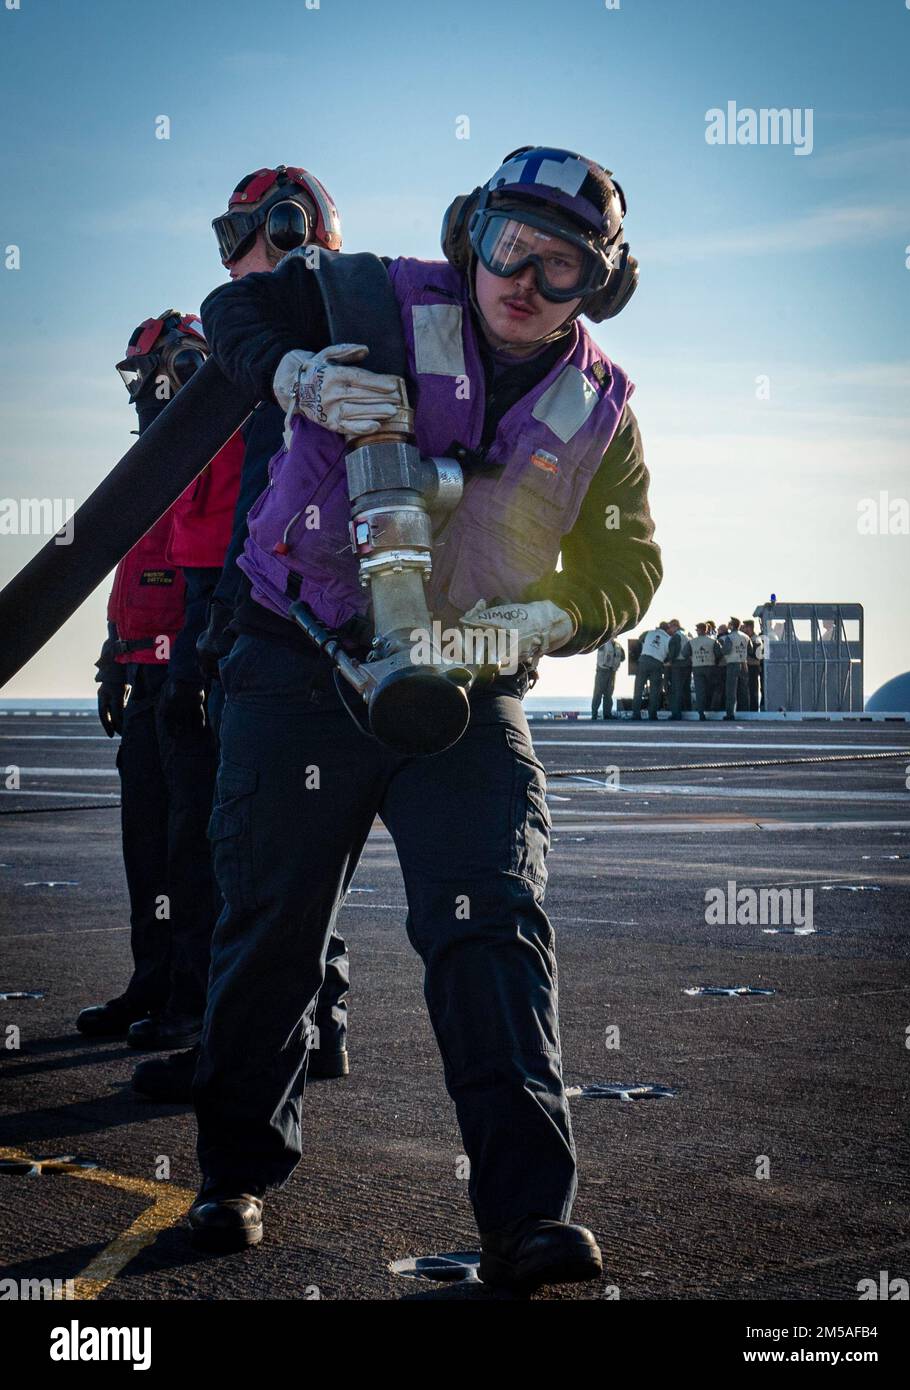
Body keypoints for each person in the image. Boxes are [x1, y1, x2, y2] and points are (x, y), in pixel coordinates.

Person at [187, 145, 661, 1290]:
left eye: (564, 270)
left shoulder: (598, 412)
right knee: (270, 927)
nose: (525, 283)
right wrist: (292, 373)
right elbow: (233, 305)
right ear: (471, 232)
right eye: (509, 249)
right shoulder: (368, 296)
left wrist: (543, 619)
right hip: (301, 662)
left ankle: (527, 1216)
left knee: (492, 928)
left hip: (465, 691)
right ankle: (233, 1172)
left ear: (599, 286)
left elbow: (628, 568)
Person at [134, 167, 352, 1103]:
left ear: (292, 226)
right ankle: (302, 1029)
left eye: (243, 230)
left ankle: (265, 1043)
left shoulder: (313, 339)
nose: (231, 255)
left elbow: (264, 508)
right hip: (274, 619)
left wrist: (218, 631)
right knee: (279, 853)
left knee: (257, 853)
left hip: (286, 630)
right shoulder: (284, 348)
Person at [79, 315, 242, 1053]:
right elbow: (134, 574)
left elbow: (207, 571)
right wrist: (115, 656)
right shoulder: (153, 462)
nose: (136, 390)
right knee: (145, 846)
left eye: (139, 373)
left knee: (189, 851)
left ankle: (192, 998)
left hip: (188, 683)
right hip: (144, 675)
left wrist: (190, 672)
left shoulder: (210, 450)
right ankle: (153, 983)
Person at [631, 622, 670, 720]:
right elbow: (669, 654)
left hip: (643, 661)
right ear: (667, 629)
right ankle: (652, 714)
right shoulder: (668, 639)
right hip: (657, 663)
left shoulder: (649, 633)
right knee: (654, 690)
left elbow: (640, 639)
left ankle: (636, 714)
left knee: (638, 689)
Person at [689, 622, 720, 719]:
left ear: (699, 630)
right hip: (710, 666)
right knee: (712, 688)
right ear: (706, 630)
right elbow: (719, 653)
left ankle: (701, 713)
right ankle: (712, 708)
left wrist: (693, 658)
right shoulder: (713, 641)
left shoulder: (692, 642)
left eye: (697, 629)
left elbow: (685, 653)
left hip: (697, 667)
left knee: (699, 691)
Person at [720, 617, 750, 720]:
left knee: (731, 691)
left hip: (733, 664)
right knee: (744, 690)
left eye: (729, 624)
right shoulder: (745, 637)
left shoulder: (730, 637)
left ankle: (730, 714)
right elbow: (750, 650)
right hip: (744, 664)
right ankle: (745, 711)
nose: (728, 625)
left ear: (732, 626)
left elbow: (726, 651)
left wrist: (721, 648)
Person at [591, 637, 624, 719]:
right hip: (602, 671)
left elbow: (623, 657)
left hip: (612, 672)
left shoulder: (618, 646)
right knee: (598, 693)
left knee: (608, 694)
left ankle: (607, 714)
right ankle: (594, 714)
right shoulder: (602, 643)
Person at [666, 618, 691, 720]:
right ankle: (688, 709)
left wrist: (670, 661)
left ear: (674, 626)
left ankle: (676, 713)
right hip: (687, 664)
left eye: (670, 627)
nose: (669, 630)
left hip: (678, 664)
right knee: (686, 689)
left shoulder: (676, 636)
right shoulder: (686, 635)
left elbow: (674, 651)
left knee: (676, 689)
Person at [741, 618, 762, 712]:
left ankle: (753, 709)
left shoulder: (756, 640)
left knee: (753, 689)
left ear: (749, 628)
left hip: (753, 667)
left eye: (745, 628)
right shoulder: (749, 639)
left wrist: (748, 651)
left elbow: (757, 656)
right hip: (748, 666)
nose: (743, 630)